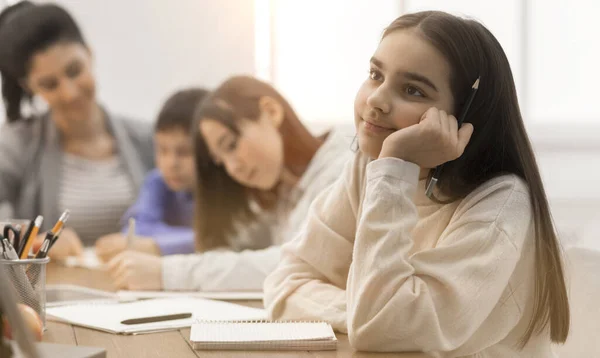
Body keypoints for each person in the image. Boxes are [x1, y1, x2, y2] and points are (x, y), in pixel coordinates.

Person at [263, 11, 570, 357]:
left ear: (466, 115)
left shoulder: (500, 203)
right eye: (375, 74)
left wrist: (396, 166)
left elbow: (382, 325)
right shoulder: (371, 168)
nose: (376, 99)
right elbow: (284, 284)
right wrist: (359, 311)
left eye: (413, 90)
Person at [106, 75, 354, 292]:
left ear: (271, 112)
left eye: (231, 145)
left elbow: (293, 264)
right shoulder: (284, 194)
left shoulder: (342, 170)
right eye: (221, 161)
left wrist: (168, 272)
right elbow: (233, 244)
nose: (233, 168)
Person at [0, 2, 153, 259]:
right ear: (29, 87)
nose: (69, 93)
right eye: (49, 84)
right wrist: (35, 242)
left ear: (90, 54)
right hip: (54, 295)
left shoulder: (148, 140)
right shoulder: (14, 147)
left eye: (74, 71)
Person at [95, 88, 209, 261]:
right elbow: (136, 228)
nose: (171, 163)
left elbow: (221, 241)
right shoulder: (157, 182)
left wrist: (156, 246)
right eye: (162, 150)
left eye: (185, 152)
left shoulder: (223, 191)